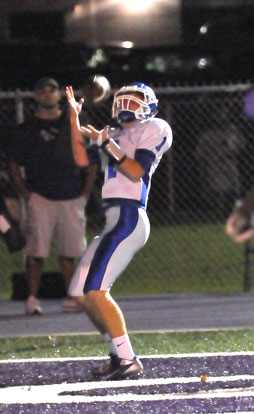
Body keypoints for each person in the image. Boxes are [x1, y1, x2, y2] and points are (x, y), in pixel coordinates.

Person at [65, 81, 173, 380]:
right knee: (80, 292)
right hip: (113, 219)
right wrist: (74, 119)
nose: (127, 103)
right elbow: (79, 159)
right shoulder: (112, 134)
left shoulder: (155, 127)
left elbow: (136, 171)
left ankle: (127, 360)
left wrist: (106, 145)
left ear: (149, 104)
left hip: (129, 217)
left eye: (135, 98)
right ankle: (116, 352)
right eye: (123, 98)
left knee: (96, 290)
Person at [8, 77, 97, 315]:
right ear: (36, 97)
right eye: (42, 91)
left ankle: (71, 297)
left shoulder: (74, 123)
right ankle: (32, 298)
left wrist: (85, 193)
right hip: (41, 197)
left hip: (71, 196)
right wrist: (26, 194)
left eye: (52, 91)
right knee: (36, 252)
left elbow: (92, 160)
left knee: (70, 251)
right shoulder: (26, 129)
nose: (48, 95)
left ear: (59, 95)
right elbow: (13, 164)